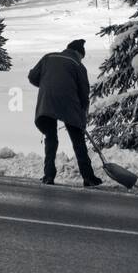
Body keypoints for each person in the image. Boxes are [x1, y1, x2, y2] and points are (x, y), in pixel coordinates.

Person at [27, 39, 103, 187]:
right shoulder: (78, 65)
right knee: (78, 141)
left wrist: (47, 85)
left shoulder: (48, 57)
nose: (81, 59)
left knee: (51, 138)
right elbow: (83, 94)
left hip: (46, 102)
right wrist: (82, 116)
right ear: (78, 53)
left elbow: (32, 76)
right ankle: (88, 177)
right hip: (70, 105)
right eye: (82, 56)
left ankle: (48, 175)